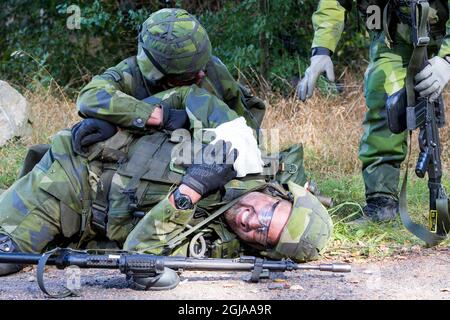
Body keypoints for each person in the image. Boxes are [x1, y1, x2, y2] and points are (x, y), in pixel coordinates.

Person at [0, 85, 333, 284]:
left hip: (80, 215)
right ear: (278, 193)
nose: (251, 220)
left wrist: (191, 190)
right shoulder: (242, 148)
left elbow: (138, 254)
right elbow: (189, 96)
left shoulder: (214, 243)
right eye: (268, 212)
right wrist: (125, 120)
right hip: (66, 177)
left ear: (260, 248)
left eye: (263, 232)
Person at [297, 0, 450, 221]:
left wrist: (446, 61)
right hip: (394, 37)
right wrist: (321, 50)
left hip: (441, 30)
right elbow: (333, 4)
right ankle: (382, 202)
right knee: (382, 91)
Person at [76, 8, 266, 137]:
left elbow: (246, 126)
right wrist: (153, 114)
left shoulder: (213, 70)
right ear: (159, 74)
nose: (201, 75)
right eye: (188, 75)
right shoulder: (130, 74)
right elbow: (89, 97)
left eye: (201, 67)